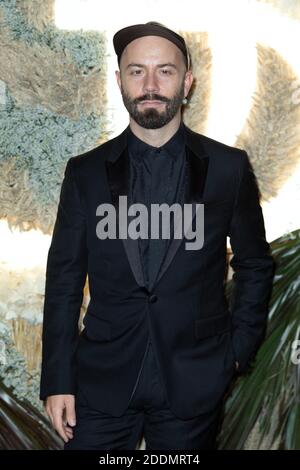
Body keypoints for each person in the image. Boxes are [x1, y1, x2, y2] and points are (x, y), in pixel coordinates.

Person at [40, 21, 275, 450]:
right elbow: (63, 283)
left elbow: (255, 264)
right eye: (136, 71)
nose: (150, 84)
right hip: (101, 382)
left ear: (187, 82)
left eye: (165, 71)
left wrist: (236, 351)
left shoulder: (229, 168)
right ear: (119, 81)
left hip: (195, 380)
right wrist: (57, 379)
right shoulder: (85, 173)